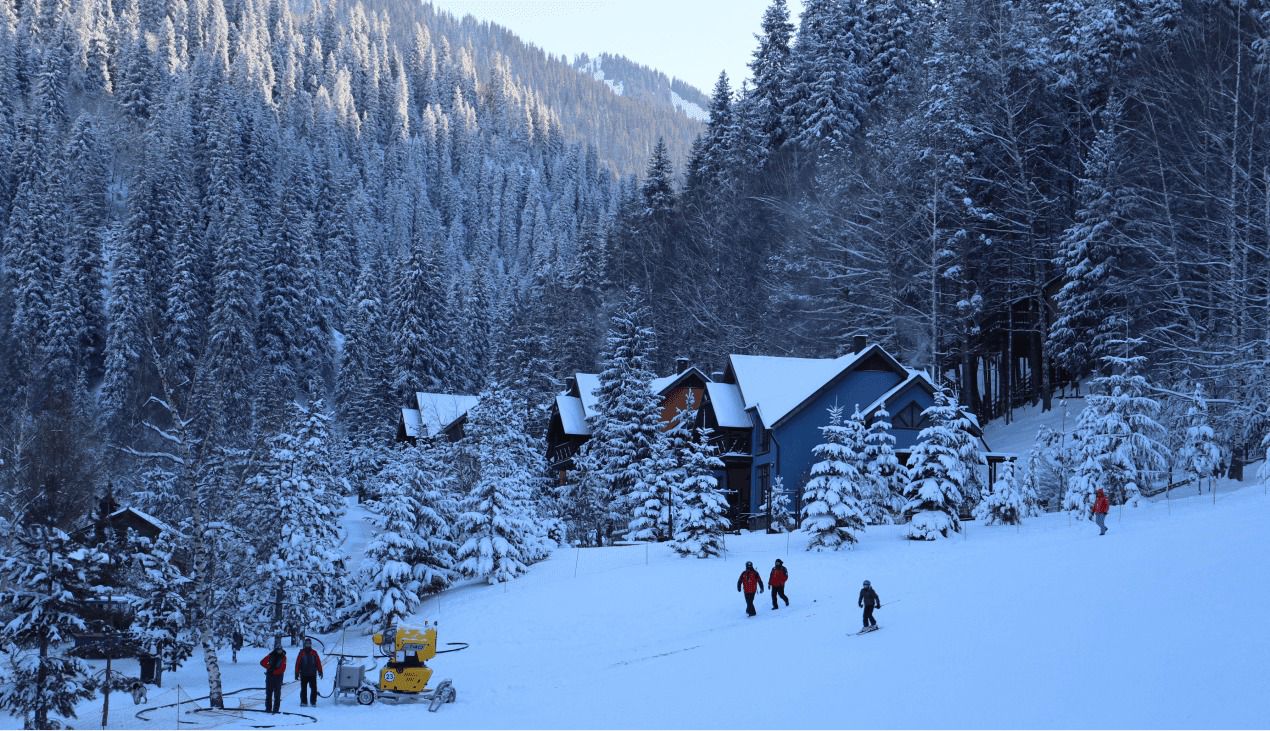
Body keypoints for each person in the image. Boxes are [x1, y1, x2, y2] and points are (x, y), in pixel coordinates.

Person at [295, 638, 324, 707]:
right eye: (306, 644)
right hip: (303, 674)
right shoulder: (301, 653)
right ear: (305, 644)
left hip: (312, 674)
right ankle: (304, 702)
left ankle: (313, 702)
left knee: (314, 689)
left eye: (309, 644)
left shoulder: (314, 653)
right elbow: (297, 663)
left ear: (310, 644)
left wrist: (320, 671)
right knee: (303, 689)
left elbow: (318, 663)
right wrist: (296, 673)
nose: (308, 645)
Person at [260, 644, 287, 713]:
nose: (279, 651)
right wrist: (269, 667)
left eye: (280, 650)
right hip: (269, 677)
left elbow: (282, 669)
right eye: (278, 650)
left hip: (278, 677)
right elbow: (262, 662)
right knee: (268, 693)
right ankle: (268, 708)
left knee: (277, 694)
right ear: (276, 650)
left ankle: (276, 709)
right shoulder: (270, 655)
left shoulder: (283, 657)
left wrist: (274, 672)